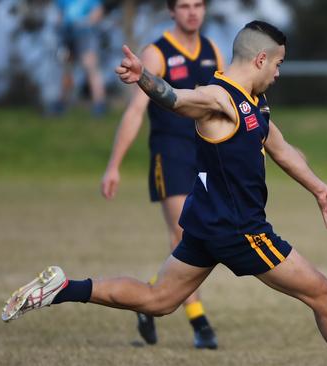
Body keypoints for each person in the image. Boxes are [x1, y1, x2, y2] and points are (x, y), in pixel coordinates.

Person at [1, 21, 327, 366]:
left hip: (207, 224)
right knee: (324, 295)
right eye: (278, 63)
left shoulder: (255, 103)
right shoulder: (219, 98)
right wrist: (144, 77)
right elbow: (177, 99)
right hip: (239, 229)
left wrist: (317, 188)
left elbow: (278, 146)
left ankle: (62, 288)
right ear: (261, 58)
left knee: (158, 300)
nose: (279, 73)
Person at [101, 0, 223, 348]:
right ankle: (200, 323)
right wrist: (114, 165)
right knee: (184, 234)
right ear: (171, 11)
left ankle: (149, 300)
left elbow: (227, 104)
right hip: (169, 154)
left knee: (207, 236)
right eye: (184, 5)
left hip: (205, 156)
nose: (192, 12)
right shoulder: (156, 53)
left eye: (198, 4)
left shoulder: (213, 50)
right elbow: (136, 111)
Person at [56, 0, 107, 116]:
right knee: (67, 68)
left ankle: (99, 103)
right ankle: (62, 103)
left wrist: (85, 24)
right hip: (67, 33)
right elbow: (60, 14)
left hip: (85, 33)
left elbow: (98, 12)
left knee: (91, 66)